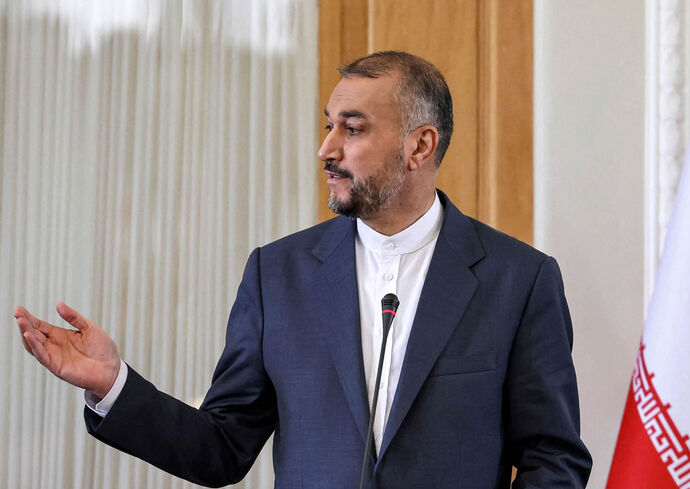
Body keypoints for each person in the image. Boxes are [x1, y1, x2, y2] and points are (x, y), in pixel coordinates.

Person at [15, 51, 592, 488]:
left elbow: (554, 457)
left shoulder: (520, 280)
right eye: (329, 124)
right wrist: (113, 386)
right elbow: (223, 448)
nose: (327, 149)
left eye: (354, 128)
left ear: (420, 147)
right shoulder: (278, 275)